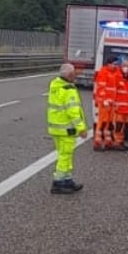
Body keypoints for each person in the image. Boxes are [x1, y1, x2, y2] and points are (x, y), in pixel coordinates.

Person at [47, 63, 87, 194]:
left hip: (56, 128)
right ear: (70, 75)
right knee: (65, 155)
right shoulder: (68, 90)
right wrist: (81, 128)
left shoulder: (55, 85)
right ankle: (58, 182)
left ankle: (67, 180)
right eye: (74, 73)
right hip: (66, 129)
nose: (75, 75)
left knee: (65, 154)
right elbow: (73, 112)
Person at [93, 57, 120, 151]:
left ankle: (108, 142)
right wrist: (104, 100)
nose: (116, 66)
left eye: (116, 64)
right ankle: (97, 143)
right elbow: (101, 88)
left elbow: (116, 88)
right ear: (108, 64)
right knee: (102, 123)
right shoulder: (103, 72)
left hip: (111, 103)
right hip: (104, 103)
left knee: (109, 124)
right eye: (114, 64)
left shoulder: (116, 73)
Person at [113, 57, 128, 151]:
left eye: (127, 66)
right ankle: (117, 142)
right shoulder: (116, 76)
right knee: (118, 125)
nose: (126, 67)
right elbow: (113, 91)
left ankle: (121, 141)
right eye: (124, 65)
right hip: (119, 107)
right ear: (121, 66)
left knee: (124, 126)